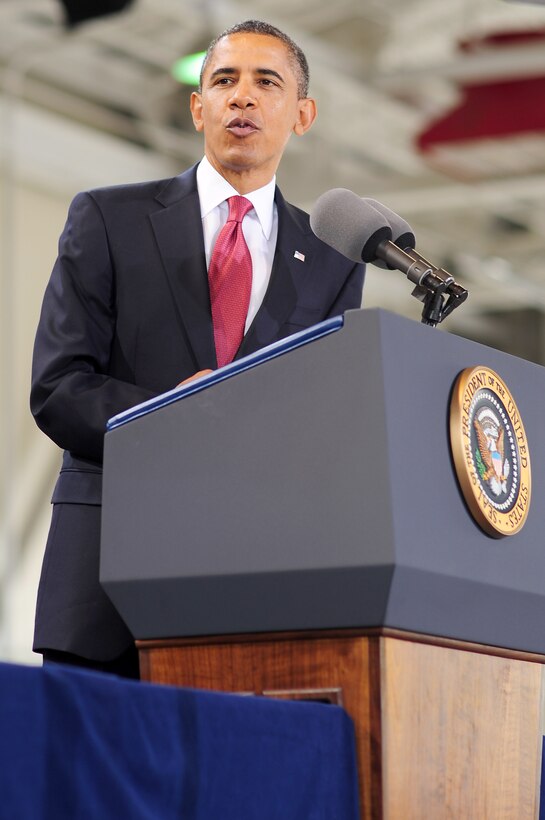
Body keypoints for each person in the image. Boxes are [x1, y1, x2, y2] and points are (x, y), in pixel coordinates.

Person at [30, 20, 365, 678]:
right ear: (197, 107)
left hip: (249, 588)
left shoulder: (332, 258)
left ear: (302, 114)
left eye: (265, 82)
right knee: (85, 780)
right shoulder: (107, 219)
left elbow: (316, 423)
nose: (241, 97)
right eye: (223, 81)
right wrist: (170, 416)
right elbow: (59, 388)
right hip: (104, 584)